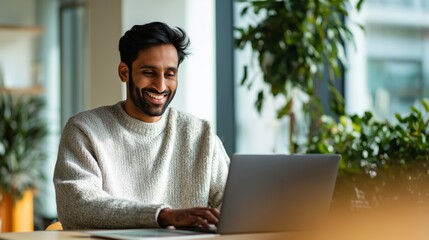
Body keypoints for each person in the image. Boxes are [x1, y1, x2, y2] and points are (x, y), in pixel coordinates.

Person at [53, 22, 230, 230]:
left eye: (170, 74)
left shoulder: (201, 135)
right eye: (149, 72)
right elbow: (76, 207)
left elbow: (236, 208)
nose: (161, 86)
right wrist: (165, 216)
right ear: (124, 72)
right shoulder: (85, 130)